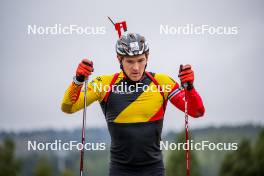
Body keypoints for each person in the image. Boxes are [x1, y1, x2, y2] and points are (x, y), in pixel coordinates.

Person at [61, 33, 205, 176]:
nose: (136, 67)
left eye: (140, 60)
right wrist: (78, 81)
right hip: (120, 171)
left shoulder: (161, 83)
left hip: (154, 170)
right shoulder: (105, 84)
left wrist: (190, 88)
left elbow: (196, 111)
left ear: (147, 58)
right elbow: (68, 107)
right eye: (130, 61)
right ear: (119, 59)